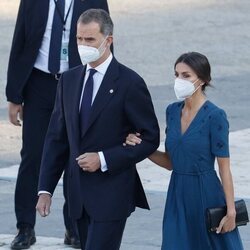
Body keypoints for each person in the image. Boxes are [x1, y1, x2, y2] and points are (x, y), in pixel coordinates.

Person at [36, 8, 159, 250]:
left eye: (90, 39)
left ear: (108, 40)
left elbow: (150, 138)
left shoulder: (129, 82)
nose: (83, 45)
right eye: (79, 39)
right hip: (78, 196)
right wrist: (45, 189)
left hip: (112, 194)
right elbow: (57, 139)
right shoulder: (69, 80)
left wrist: (103, 159)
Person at [6, 1, 110, 249]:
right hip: (39, 83)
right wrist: (14, 94)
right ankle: (25, 227)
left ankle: (73, 227)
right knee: (33, 156)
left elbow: (106, 38)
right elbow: (20, 38)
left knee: (75, 156)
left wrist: (107, 89)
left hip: (77, 81)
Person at [125, 52, 244, 249]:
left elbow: (224, 168)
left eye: (186, 75)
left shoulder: (216, 116)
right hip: (177, 193)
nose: (179, 80)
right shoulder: (172, 111)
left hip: (206, 193)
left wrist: (231, 211)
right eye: (177, 74)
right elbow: (170, 162)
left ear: (203, 79)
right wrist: (142, 148)